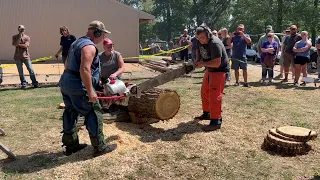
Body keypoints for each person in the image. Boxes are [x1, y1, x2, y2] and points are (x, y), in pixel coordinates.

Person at [60, 20, 117, 157]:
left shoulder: (76, 43)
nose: (103, 37)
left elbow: (67, 63)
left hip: (66, 81)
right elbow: (85, 69)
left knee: (71, 111)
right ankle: (100, 147)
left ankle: (71, 145)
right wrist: (90, 90)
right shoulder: (89, 47)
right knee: (93, 111)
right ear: (97, 32)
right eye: (103, 34)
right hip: (78, 84)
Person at [193, 25, 229, 132]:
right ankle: (207, 113)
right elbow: (199, 51)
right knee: (204, 91)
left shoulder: (215, 43)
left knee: (215, 95)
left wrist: (203, 64)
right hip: (210, 69)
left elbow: (217, 63)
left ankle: (216, 121)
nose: (201, 40)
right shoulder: (200, 41)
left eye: (203, 37)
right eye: (199, 38)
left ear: (208, 34)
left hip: (219, 70)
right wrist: (197, 60)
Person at [12, 25, 39, 89]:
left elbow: (26, 46)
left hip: (26, 56)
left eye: (23, 29)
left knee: (31, 69)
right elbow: (15, 44)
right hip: (17, 57)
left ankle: (34, 83)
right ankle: (23, 83)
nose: (22, 30)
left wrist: (18, 45)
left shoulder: (27, 37)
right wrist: (19, 37)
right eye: (21, 29)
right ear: (18, 30)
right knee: (20, 71)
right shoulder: (15, 37)